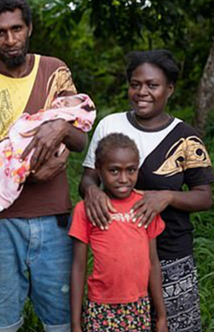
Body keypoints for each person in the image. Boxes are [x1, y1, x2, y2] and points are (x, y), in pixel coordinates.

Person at [0, 0, 89, 332]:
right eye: (0, 32)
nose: (10, 39)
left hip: (54, 219)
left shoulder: (54, 71)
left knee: (62, 322)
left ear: (29, 28)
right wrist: (22, 170)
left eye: (16, 29)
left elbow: (80, 136)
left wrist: (57, 127)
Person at [79, 50, 214, 332]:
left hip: (170, 254)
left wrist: (167, 196)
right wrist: (91, 191)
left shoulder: (186, 137)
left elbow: (204, 196)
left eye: (152, 85)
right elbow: (88, 179)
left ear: (170, 89)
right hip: (120, 260)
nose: (142, 92)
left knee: (174, 325)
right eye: (135, 84)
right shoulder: (110, 125)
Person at [70, 133, 167, 332]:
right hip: (100, 307)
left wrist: (161, 316)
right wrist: (75, 323)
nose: (123, 179)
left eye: (131, 170)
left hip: (139, 306)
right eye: (114, 171)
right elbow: (78, 267)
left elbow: (153, 261)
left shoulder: (145, 206)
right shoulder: (87, 209)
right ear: (98, 170)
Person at [0, 94, 95, 213]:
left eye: (66, 103)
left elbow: (80, 143)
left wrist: (63, 128)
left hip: (30, 153)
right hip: (17, 141)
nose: (62, 102)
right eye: (63, 100)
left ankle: (2, 197)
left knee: (17, 168)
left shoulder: (67, 119)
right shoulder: (50, 111)